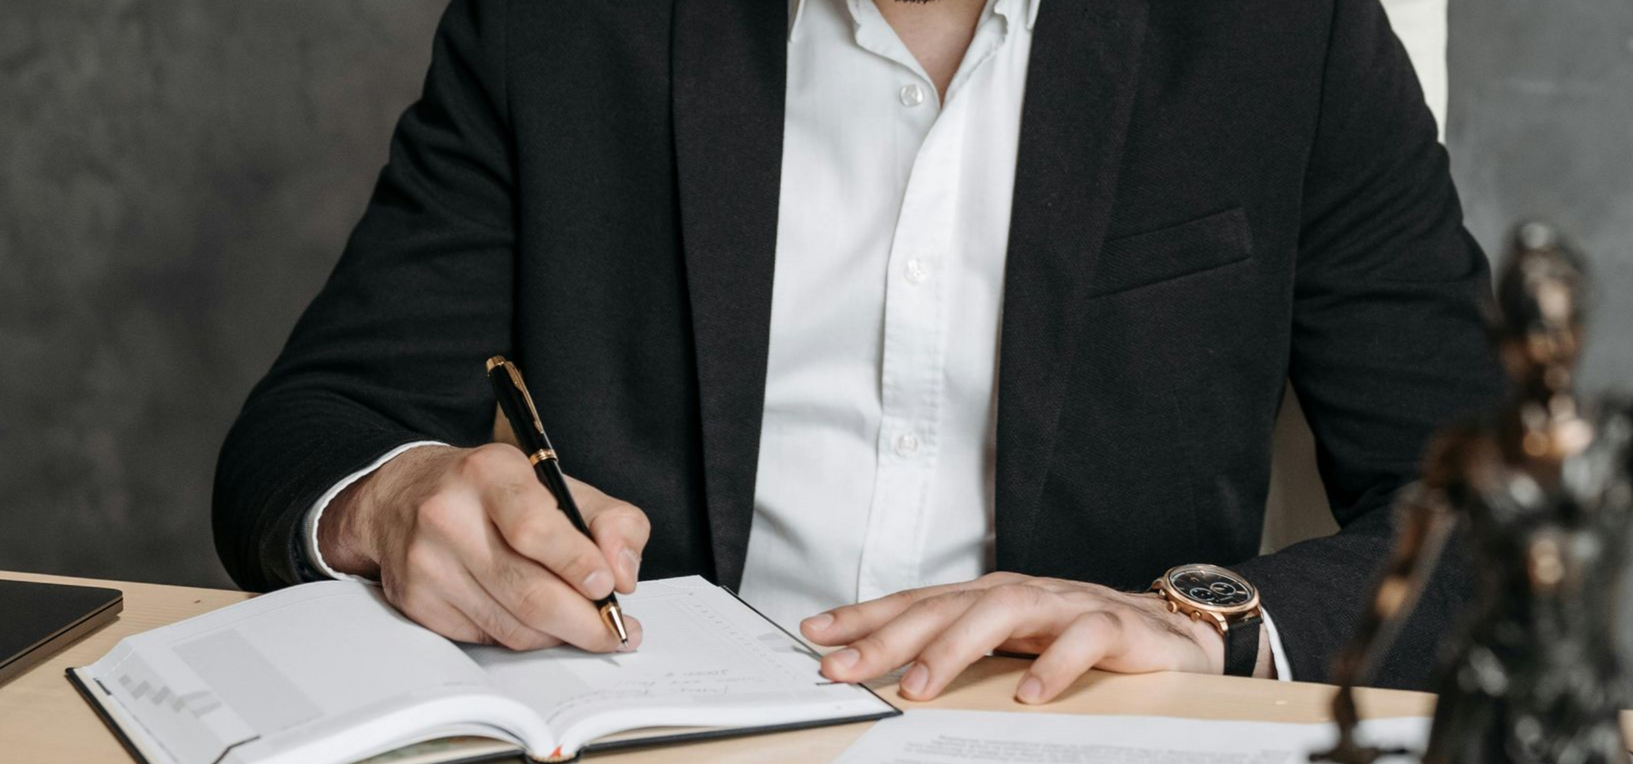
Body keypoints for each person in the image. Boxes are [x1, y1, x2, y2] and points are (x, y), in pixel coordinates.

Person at [213, 0, 1504, 705]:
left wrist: (1197, 624)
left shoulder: (1290, 34)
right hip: (637, 762)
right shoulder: (555, 26)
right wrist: (390, 499)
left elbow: (1496, 524)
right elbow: (313, 426)